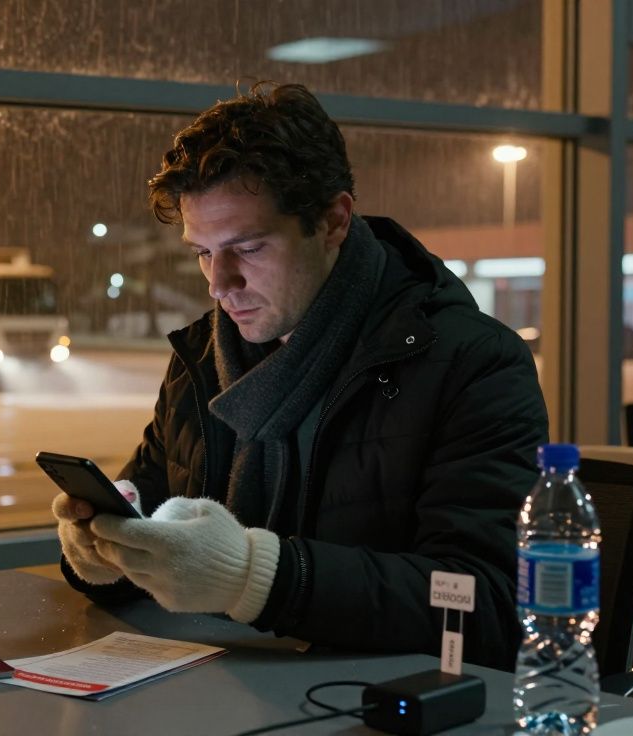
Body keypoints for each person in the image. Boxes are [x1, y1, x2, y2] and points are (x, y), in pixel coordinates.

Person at [52, 82, 548, 668]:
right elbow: (161, 536)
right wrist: (106, 551)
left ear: (333, 221)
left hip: (366, 703)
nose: (219, 284)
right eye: (203, 252)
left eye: (250, 248)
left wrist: (256, 578)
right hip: (225, 686)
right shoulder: (202, 358)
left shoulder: (474, 365)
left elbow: (487, 606)